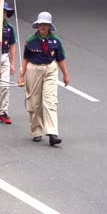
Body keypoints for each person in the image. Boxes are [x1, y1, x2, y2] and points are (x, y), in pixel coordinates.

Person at [17, 12, 69, 146]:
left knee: (50, 101)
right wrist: (21, 75)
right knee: (34, 102)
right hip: (33, 69)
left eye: (45, 24)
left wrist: (65, 75)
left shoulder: (56, 41)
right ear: (37, 26)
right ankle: (37, 131)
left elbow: (60, 59)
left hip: (50, 69)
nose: (43, 26)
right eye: (40, 24)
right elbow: (25, 59)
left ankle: (52, 133)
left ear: (50, 26)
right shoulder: (30, 41)